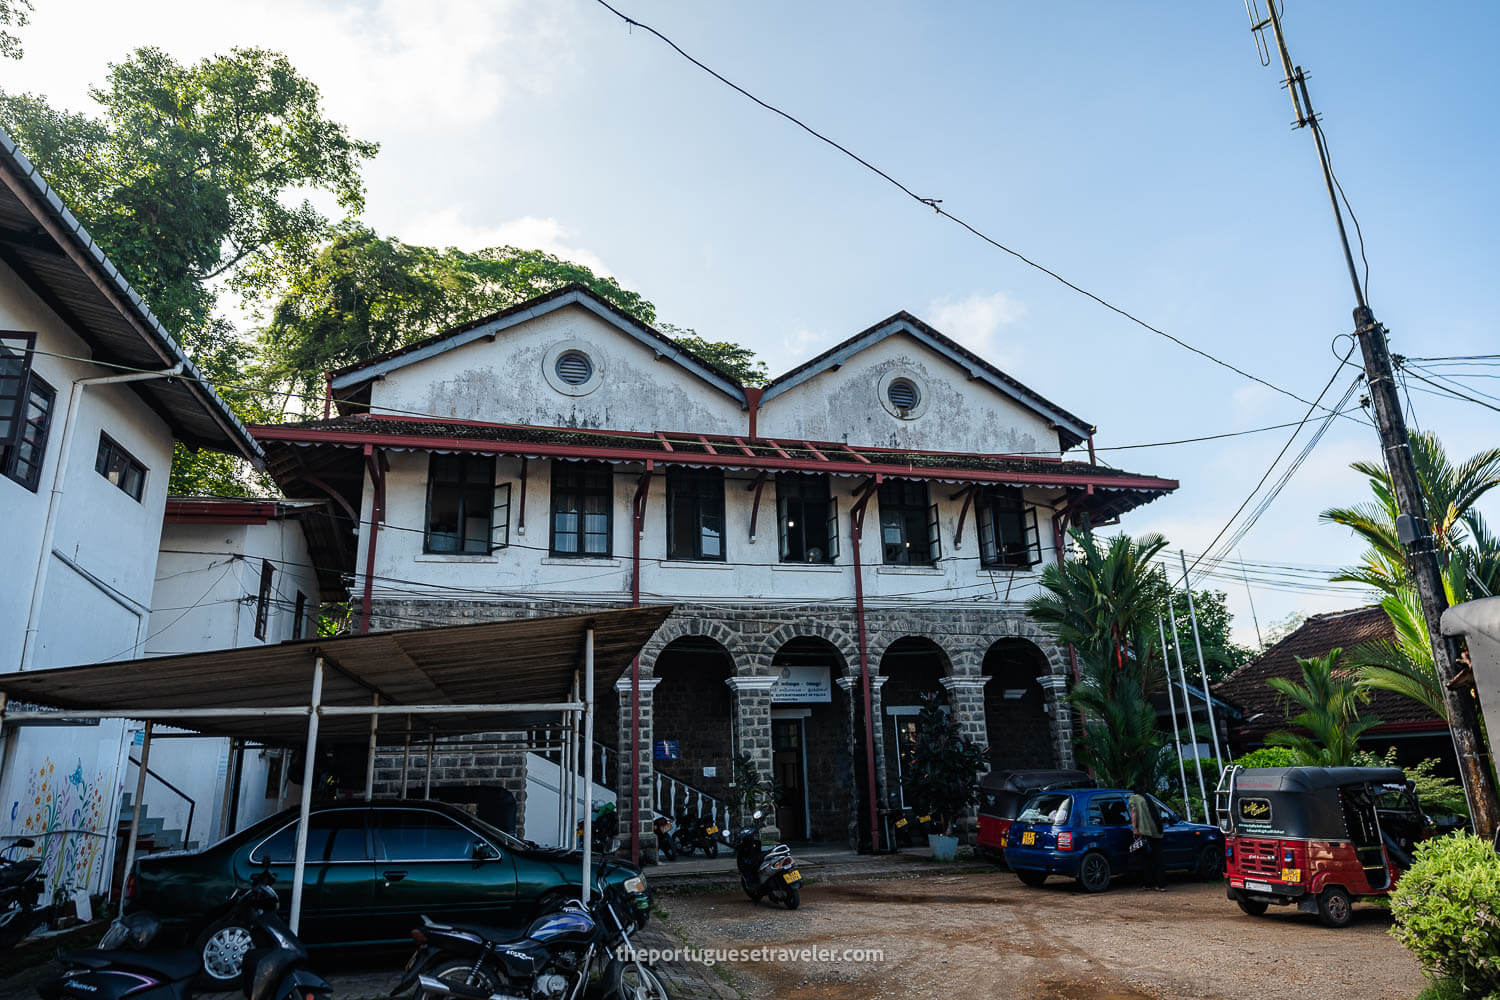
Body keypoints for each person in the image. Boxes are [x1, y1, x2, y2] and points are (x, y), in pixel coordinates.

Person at [1129, 785, 1166, 892]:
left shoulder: (1134, 798)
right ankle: (1161, 885)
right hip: (1156, 832)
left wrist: (1135, 828)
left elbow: (1134, 812)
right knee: (1158, 859)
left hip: (1144, 832)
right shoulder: (1149, 799)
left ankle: (1148, 884)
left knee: (1145, 859)